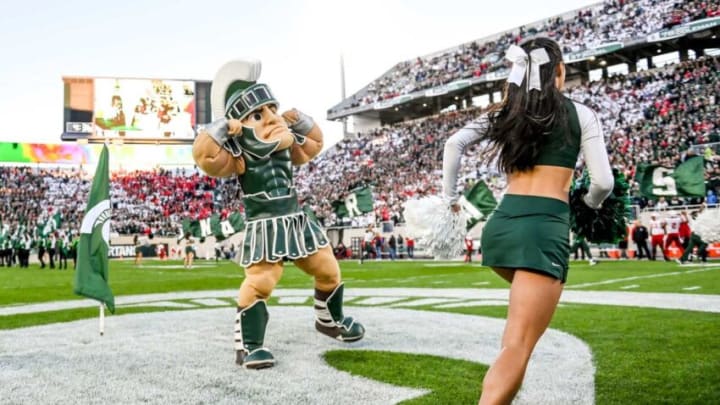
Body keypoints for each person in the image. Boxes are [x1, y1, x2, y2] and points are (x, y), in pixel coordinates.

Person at [442, 38, 613, 404]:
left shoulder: (506, 112)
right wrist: (588, 204)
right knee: (517, 344)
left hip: (501, 228)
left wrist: (450, 201)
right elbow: (603, 182)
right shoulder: (581, 113)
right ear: (560, 71)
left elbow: (453, 144)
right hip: (542, 228)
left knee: (519, 336)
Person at [192, 59, 364, 370]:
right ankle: (249, 345)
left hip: (295, 217)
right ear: (239, 125)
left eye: (272, 108)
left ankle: (329, 320)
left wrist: (302, 121)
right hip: (265, 223)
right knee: (261, 282)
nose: (271, 118)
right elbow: (205, 157)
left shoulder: (286, 144)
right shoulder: (239, 154)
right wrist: (219, 128)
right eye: (258, 114)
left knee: (328, 269)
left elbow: (315, 144)